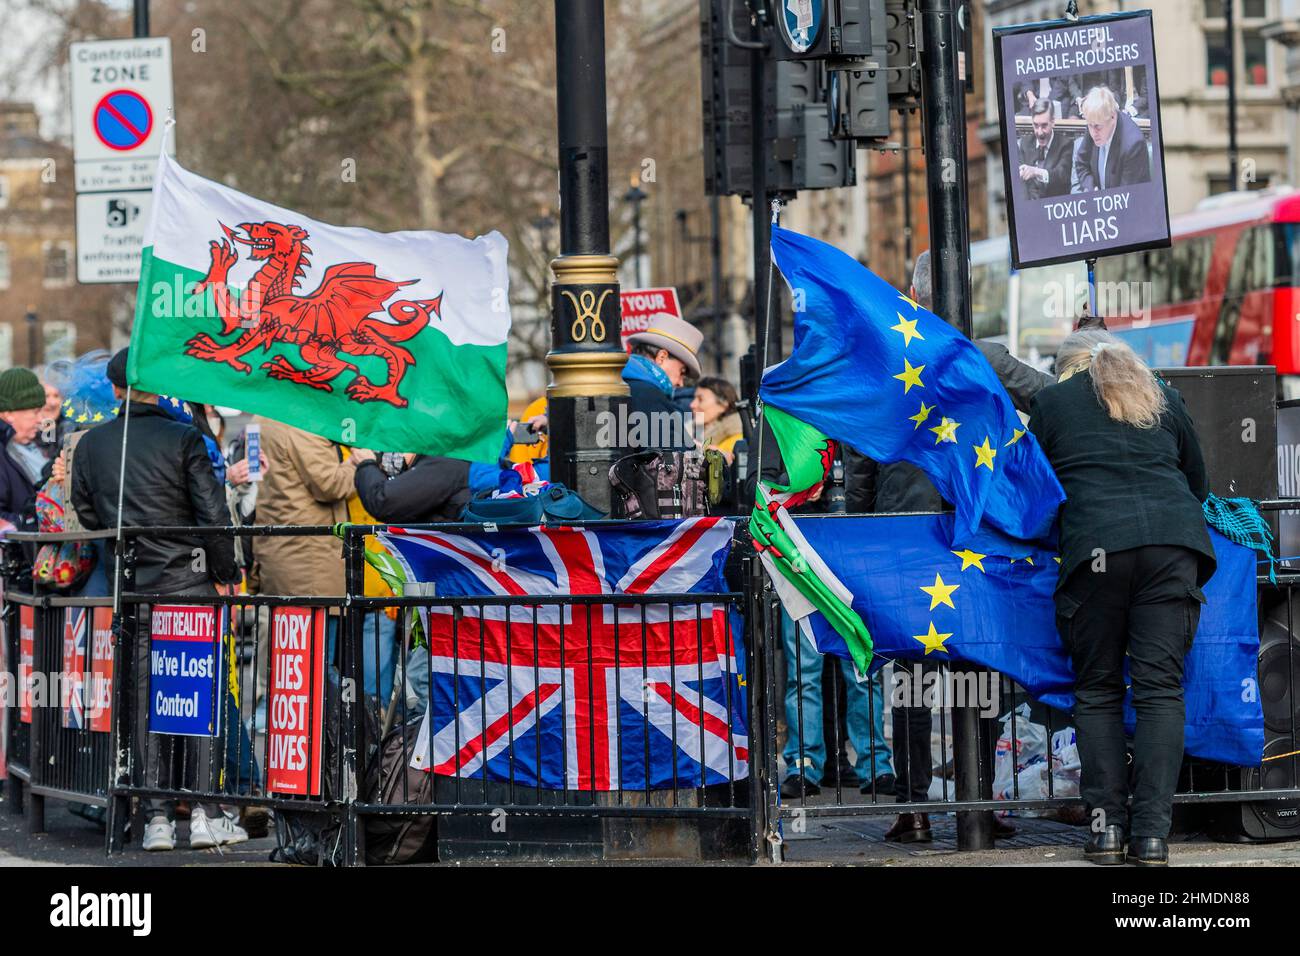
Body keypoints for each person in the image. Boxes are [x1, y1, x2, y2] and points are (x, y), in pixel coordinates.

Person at [845, 250, 1052, 843]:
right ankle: (979, 804)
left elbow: (860, 458)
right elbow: (1058, 403)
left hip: (903, 540)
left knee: (909, 677)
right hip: (974, 540)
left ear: (912, 296)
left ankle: (913, 808)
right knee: (979, 666)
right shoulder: (985, 359)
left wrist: (860, 532)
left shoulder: (887, 367)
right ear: (967, 297)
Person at [1029, 329, 1213, 866]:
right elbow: (1196, 482)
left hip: (1095, 552)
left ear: (1068, 367)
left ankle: (1106, 832)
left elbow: (1033, 488)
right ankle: (1152, 836)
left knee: (1098, 690)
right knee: (1160, 690)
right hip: (1172, 549)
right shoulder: (1161, 395)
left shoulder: (1052, 402)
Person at [70, 348, 245, 852]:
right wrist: (226, 572)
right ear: (156, 383)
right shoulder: (183, 437)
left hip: (134, 590)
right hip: (187, 589)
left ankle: (157, 819)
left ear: (116, 388)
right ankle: (207, 812)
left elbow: (86, 512)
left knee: (144, 702)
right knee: (197, 701)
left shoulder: (93, 444)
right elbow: (212, 515)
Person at [623, 314, 700, 449]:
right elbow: (666, 459)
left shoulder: (626, 382)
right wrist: (713, 457)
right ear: (662, 357)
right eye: (681, 372)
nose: (680, 383)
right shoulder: (648, 394)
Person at [1072, 85, 1151, 193]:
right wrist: (1091, 188)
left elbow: (1127, 198)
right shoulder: (1095, 122)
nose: (1093, 132)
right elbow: (1081, 163)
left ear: (1113, 117)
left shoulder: (1133, 145)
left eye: (1098, 126)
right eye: (1090, 125)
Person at [0, 367, 52, 529]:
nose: (41, 420)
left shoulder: (35, 446)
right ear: (8, 413)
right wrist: (28, 521)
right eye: (35, 412)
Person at [1017, 99, 1072, 200]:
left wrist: (1036, 172)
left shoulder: (1066, 144)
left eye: (1044, 126)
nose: (1040, 132)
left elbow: (1062, 175)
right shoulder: (1025, 143)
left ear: (1053, 122)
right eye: (1036, 125)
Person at [691, 376, 743, 463]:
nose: (692, 404)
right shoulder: (691, 435)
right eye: (694, 399)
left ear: (723, 405)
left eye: (700, 399)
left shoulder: (737, 442)